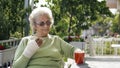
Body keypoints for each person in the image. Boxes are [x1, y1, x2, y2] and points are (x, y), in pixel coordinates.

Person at [12, 7, 83, 68]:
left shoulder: (56, 40)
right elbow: (16, 67)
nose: (46, 26)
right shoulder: (26, 41)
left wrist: (78, 52)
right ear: (34, 25)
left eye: (48, 22)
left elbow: (73, 51)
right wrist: (28, 52)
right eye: (41, 23)